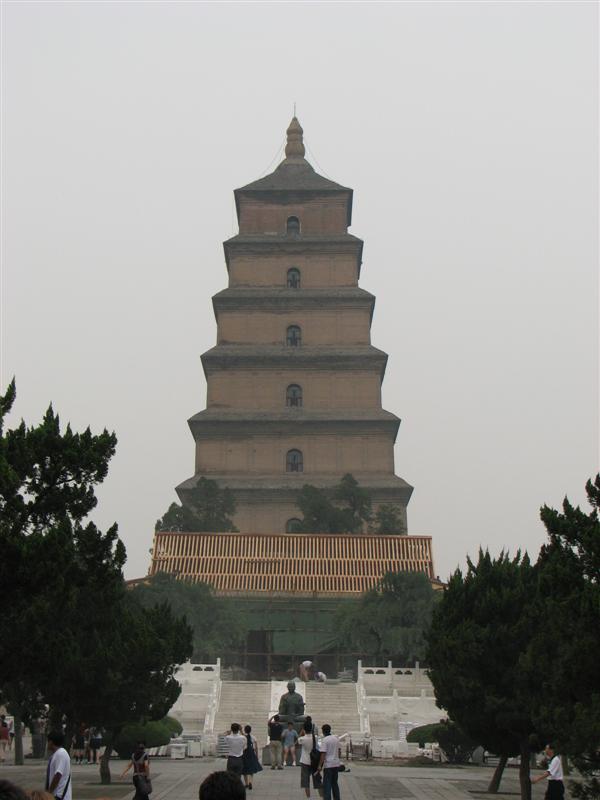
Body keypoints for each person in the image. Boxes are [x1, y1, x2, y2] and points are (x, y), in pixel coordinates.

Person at [298, 720, 323, 799]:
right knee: (317, 780)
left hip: (305, 761)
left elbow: (297, 741)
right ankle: (322, 796)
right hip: (315, 762)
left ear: (304, 729)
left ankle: (309, 798)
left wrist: (301, 732)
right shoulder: (315, 738)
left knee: (306, 781)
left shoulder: (302, 739)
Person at [316, 724, 341, 800]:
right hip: (336, 764)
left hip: (328, 765)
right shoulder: (336, 739)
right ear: (330, 730)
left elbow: (323, 754)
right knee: (335, 783)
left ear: (323, 731)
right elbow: (339, 751)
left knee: (327, 784)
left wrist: (320, 765)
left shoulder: (325, 740)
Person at [46, 732, 72, 800]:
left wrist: (49, 792)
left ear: (51, 742)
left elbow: (58, 774)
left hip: (60, 795)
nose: (47, 744)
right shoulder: (57, 754)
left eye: (48, 741)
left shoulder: (61, 754)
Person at [241, 725, 262, 790]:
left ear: (245, 730)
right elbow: (256, 747)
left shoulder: (243, 737)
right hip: (251, 754)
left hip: (244, 754)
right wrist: (257, 755)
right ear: (250, 730)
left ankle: (246, 783)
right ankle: (250, 782)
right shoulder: (253, 737)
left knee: (244, 769)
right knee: (251, 769)